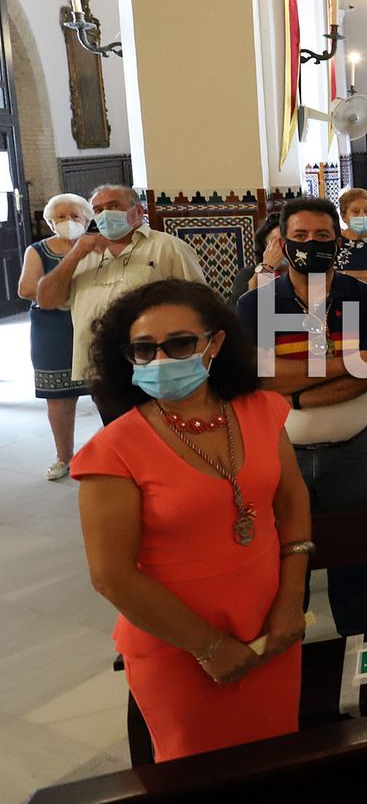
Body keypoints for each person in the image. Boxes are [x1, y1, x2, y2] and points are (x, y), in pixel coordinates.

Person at [73, 279, 312, 761]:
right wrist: (208, 647)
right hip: (179, 644)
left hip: (270, 627)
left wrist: (290, 602)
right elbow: (111, 575)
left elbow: (291, 504)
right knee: (198, 777)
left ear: (215, 344)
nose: (162, 360)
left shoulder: (262, 410)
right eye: (144, 350)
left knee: (276, 762)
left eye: (179, 344)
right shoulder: (113, 451)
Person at [238, 196, 367, 635]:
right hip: (282, 454)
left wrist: (297, 395)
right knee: (286, 550)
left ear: (338, 242)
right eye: (300, 237)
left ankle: (358, 630)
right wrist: (347, 363)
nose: (311, 245)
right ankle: (289, 629)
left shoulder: (363, 298)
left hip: (353, 449)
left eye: (322, 237)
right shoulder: (257, 306)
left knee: (351, 546)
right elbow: (258, 380)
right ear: (283, 245)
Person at [35, 184, 206, 387]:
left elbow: (200, 303)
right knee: (114, 420)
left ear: (139, 211)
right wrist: (75, 254)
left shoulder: (168, 248)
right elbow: (46, 300)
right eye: (98, 210)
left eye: (113, 206)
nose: (105, 214)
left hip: (153, 362)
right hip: (99, 365)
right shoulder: (83, 254)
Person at [19, 193, 93, 479]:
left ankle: (114, 453)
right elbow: (26, 289)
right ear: (50, 222)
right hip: (53, 329)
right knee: (59, 397)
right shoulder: (37, 250)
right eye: (60, 217)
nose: (69, 222)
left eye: (75, 216)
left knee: (106, 392)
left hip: (90, 323)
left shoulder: (97, 248)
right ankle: (64, 457)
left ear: (86, 219)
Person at [230, 214, 285, 307]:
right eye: (275, 243)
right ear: (265, 248)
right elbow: (237, 311)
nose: (282, 248)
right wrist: (267, 268)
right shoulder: (247, 274)